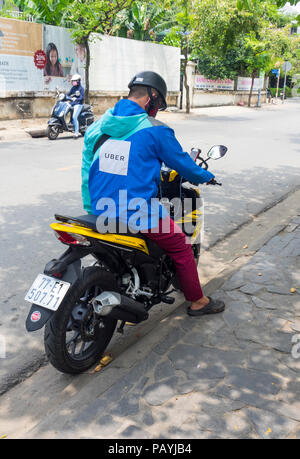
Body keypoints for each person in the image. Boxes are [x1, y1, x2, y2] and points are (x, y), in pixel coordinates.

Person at [81, 70, 225, 316]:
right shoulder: (155, 129)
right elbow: (182, 163)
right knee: (180, 245)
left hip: (99, 210)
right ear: (153, 98)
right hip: (136, 213)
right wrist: (206, 177)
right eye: (158, 105)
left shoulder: (97, 127)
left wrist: (91, 208)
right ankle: (198, 301)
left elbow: (87, 172)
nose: (157, 110)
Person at [67, 73, 84, 138]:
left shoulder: (81, 88)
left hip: (78, 104)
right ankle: (69, 124)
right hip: (73, 104)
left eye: (74, 81)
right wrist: (64, 96)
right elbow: (68, 94)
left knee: (74, 117)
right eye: (72, 81)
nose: (73, 82)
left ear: (78, 81)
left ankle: (76, 132)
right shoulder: (73, 88)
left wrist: (76, 99)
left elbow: (82, 98)